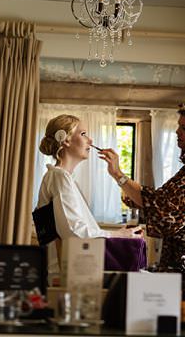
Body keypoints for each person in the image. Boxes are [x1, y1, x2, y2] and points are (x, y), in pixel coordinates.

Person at [98, 101, 185, 271]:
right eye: (178, 126)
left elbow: (164, 208)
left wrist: (118, 174)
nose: (177, 132)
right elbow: (165, 202)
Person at [36, 115, 141, 277]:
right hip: (66, 276)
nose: (90, 141)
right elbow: (74, 232)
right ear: (65, 140)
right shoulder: (59, 177)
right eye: (83, 134)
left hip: (69, 272)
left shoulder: (61, 178)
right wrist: (117, 235)